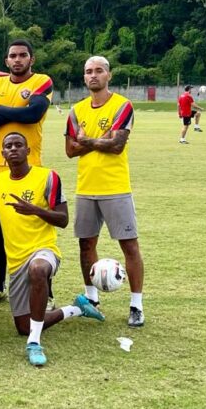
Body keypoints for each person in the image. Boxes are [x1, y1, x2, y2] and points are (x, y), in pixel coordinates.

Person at [0, 132, 104, 366]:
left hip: (44, 251)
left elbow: (63, 219)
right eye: (8, 146)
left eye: (18, 144)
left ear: (28, 151)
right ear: (3, 154)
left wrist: (36, 210)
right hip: (16, 263)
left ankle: (34, 343)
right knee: (23, 326)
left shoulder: (48, 177)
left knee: (37, 269)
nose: (13, 148)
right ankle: (76, 308)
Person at [65, 56, 145, 328]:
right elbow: (70, 150)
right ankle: (91, 299)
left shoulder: (122, 105)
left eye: (99, 70)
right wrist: (99, 140)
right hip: (86, 188)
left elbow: (117, 145)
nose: (93, 75)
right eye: (88, 71)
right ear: (84, 77)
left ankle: (136, 305)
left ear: (109, 75)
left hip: (115, 187)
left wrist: (86, 140)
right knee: (86, 245)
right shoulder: (76, 111)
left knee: (129, 245)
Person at [0, 39, 54, 307]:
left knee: (35, 231)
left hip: (31, 168)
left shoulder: (42, 81)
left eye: (23, 55)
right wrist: (16, 113)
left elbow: (34, 114)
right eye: (13, 56)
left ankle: (48, 292)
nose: (17, 59)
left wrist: (0, 109)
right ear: (6, 61)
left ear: (32, 59)